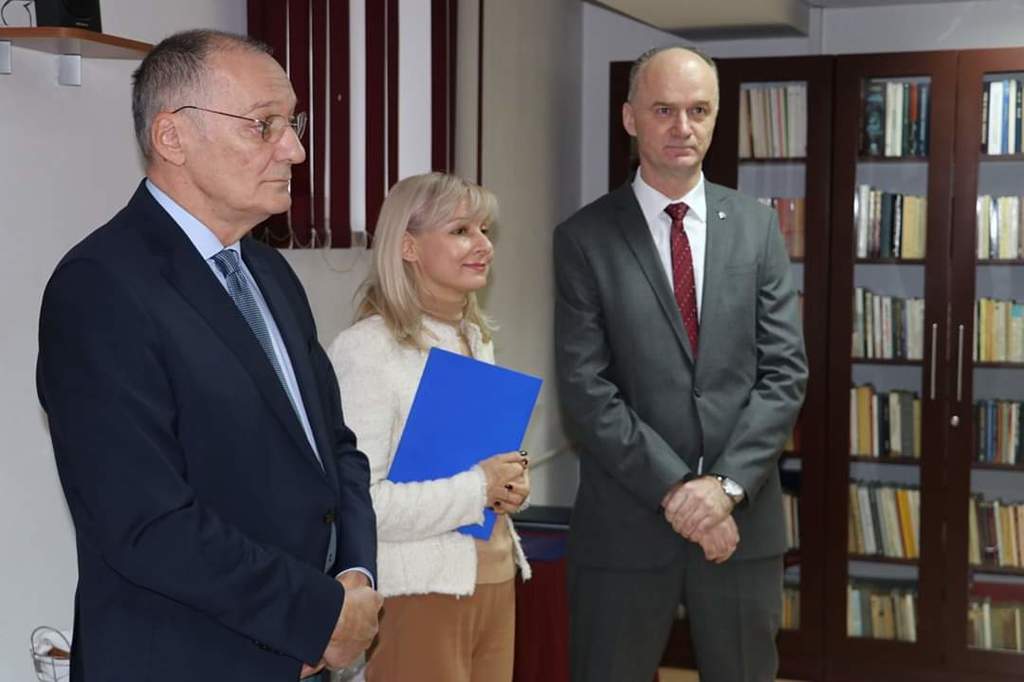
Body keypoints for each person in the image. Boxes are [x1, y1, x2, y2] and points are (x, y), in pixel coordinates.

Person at [36, 29, 381, 681]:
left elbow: (334, 449)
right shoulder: (101, 287)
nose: (295, 149)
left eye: (293, 124)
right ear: (172, 137)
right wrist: (317, 615)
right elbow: (148, 523)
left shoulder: (270, 274)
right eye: (264, 125)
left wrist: (355, 577)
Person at [554, 46, 808, 682]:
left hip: (740, 528)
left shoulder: (757, 228)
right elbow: (587, 391)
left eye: (699, 111)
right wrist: (679, 491)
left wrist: (724, 489)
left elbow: (784, 374)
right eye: (664, 110)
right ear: (630, 118)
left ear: (716, 118)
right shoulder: (584, 238)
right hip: (625, 532)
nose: (683, 127)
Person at [328, 171, 532, 682]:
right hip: (420, 592)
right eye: (461, 231)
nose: (483, 245)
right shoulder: (367, 350)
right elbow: (363, 505)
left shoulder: (475, 338)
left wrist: (510, 480)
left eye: (484, 230)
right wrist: (478, 487)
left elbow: (476, 464)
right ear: (408, 247)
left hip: (495, 578)